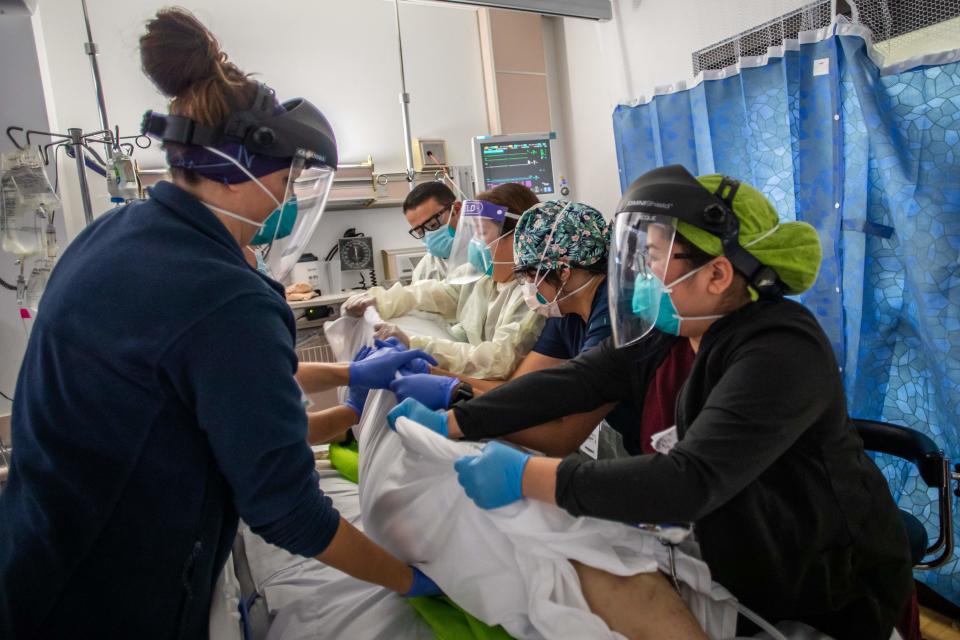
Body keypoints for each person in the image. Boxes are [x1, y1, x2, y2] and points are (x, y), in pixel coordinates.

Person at [0, 10, 440, 637]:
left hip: (40, 559)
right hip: (111, 595)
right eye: (286, 180)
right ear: (235, 170)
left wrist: (351, 390)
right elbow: (288, 512)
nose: (288, 198)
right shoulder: (226, 295)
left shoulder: (115, 234)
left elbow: (211, 409)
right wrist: (415, 580)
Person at [389, 165, 913, 638]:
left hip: (824, 583)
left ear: (717, 275)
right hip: (736, 546)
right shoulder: (680, 329)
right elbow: (580, 380)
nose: (641, 273)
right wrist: (456, 419)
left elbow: (688, 481)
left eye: (654, 257)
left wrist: (526, 478)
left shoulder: (780, 349)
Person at [345, 183, 545, 379]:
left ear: (518, 237)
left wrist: (414, 344)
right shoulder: (484, 277)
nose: (475, 243)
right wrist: (380, 300)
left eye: (482, 233)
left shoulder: (533, 295)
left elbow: (497, 360)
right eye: (474, 232)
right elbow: (439, 293)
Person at [402, 180, 462, 282]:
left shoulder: (489, 251)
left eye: (433, 225)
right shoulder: (424, 272)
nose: (429, 235)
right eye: (420, 232)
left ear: (456, 209)